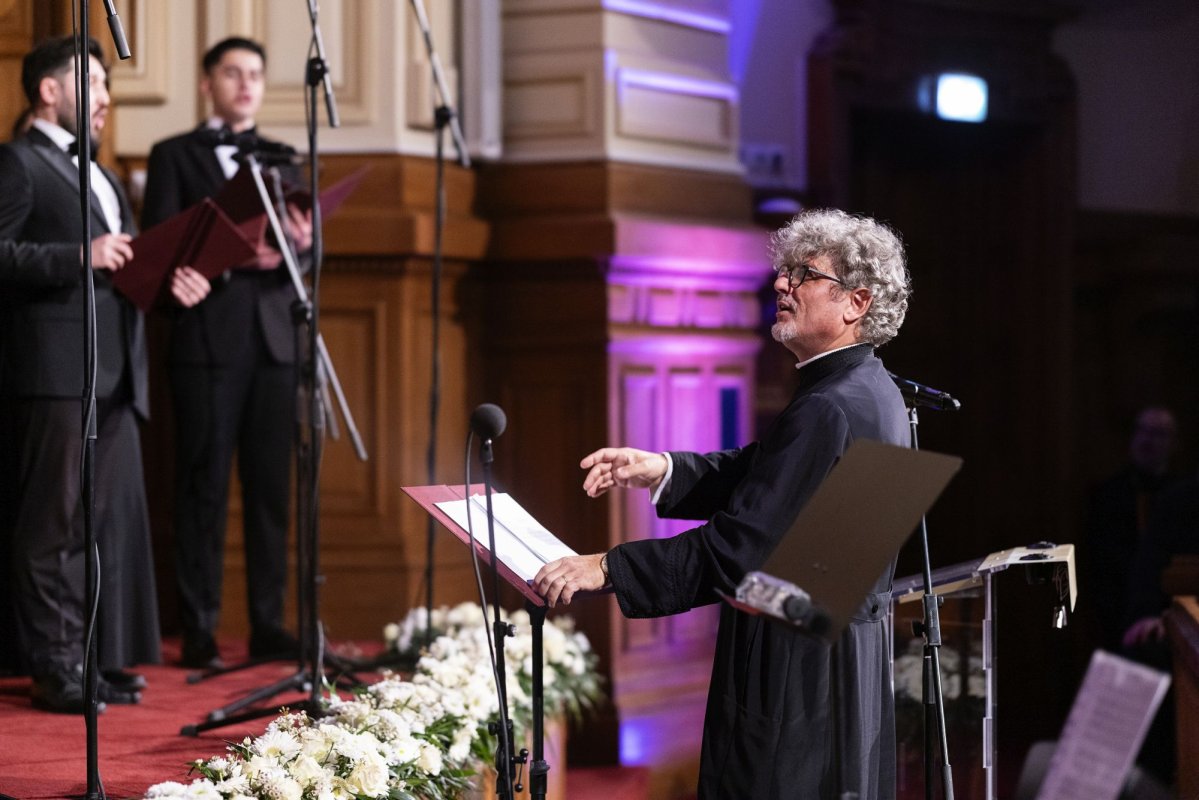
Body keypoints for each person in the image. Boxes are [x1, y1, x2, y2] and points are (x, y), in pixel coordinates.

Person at [534, 209, 913, 800]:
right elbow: (772, 476)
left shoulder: (827, 407)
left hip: (795, 683)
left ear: (855, 302)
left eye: (803, 274)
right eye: (784, 271)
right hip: (846, 670)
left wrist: (607, 567)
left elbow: (746, 550)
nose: (781, 285)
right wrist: (665, 468)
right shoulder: (876, 392)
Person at [0, 35, 210, 713]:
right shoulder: (18, 163)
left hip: (115, 369)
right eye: (91, 82)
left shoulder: (104, 172)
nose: (106, 100)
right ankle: (53, 667)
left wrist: (164, 280)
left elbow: (117, 263)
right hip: (54, 371)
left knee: (96, 525)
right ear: (49, 90)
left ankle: (90, 662)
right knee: (51, 526)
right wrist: (77, 254)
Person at [141, 36, 312, 669]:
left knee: (270, 491)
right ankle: (201, 631)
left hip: (274, 343)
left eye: (256, 75)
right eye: (233, 73)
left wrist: (302, 244)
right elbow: (158, 246)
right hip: (207, 340)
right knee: (202, 488)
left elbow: (305, 252)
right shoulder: (174, 156)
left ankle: (269, 624)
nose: (246, 84)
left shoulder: (284, 160)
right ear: (207, 82)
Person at [1081, 406, 1178, 653]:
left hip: (1167, 614)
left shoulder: (1180, 497)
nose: (1148, 439)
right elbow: (1100, 560)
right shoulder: (1109, 494)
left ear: (1172, 442)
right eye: (1143, 430)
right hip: (1115, 610)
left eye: (1158, 433)